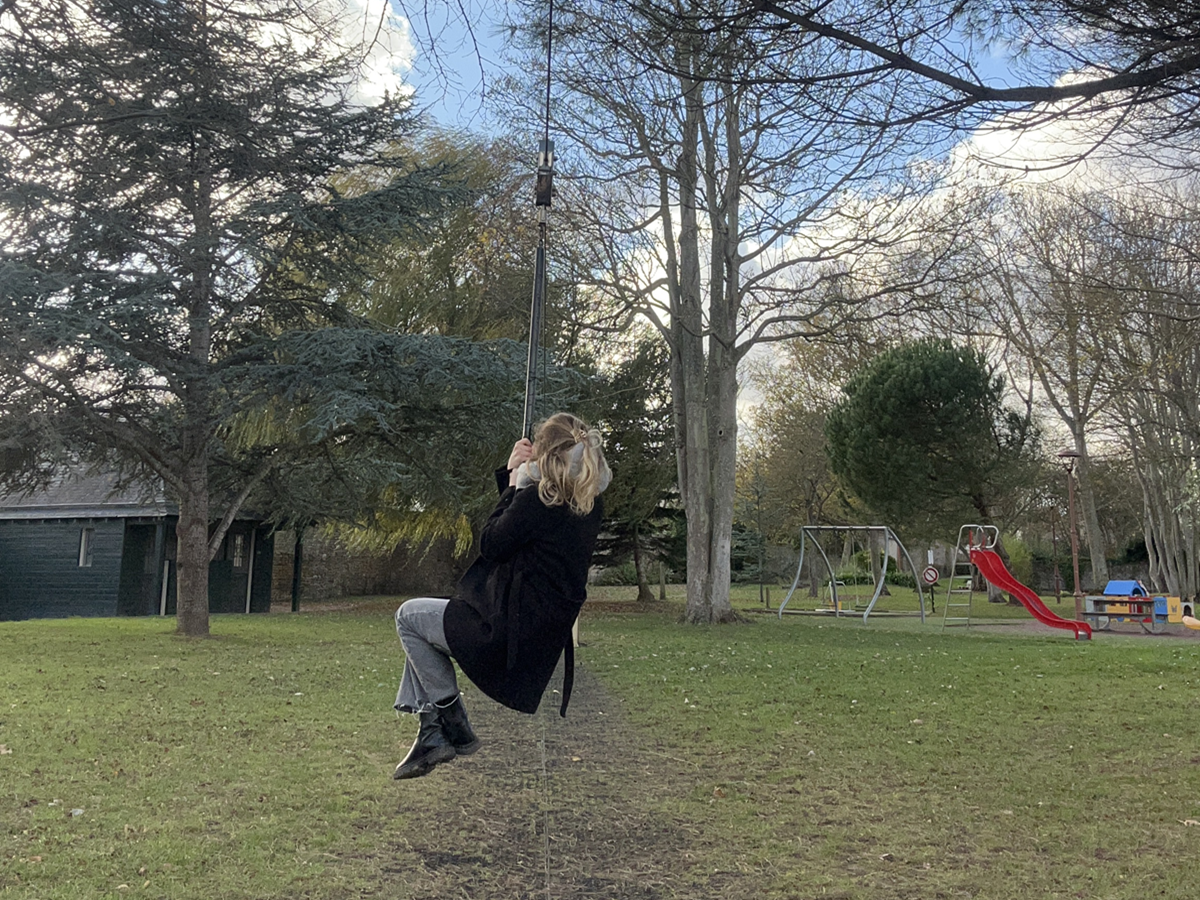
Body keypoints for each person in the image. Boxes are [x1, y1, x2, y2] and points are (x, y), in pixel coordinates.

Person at [391, 412, 611, 780]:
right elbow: (520, 537)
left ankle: (449, 725)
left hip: (505, 632)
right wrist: (518, 483)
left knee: (409, 617)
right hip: (534, 633)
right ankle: (431, 732)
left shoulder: (538, 501)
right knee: (428, 624)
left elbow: (493, 544)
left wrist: (514, 481)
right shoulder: (587, 505)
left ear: (545, 454)